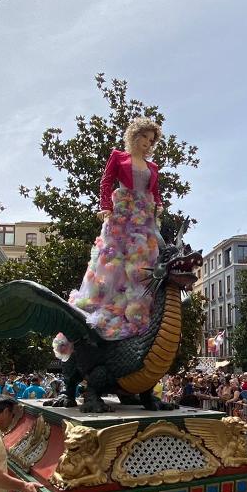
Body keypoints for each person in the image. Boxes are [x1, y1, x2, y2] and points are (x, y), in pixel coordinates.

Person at [63, 117, 164, 342]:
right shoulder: (118, 156)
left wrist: (159, 206)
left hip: (143, 217)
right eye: (144, 137)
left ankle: (135, 313)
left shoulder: (153, 167)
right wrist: (105, 206)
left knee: (141, 263)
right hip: (122, 212)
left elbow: (155, 192)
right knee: (111, 259)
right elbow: (106, 181)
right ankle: (101, 309)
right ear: (134, 136)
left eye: (151, 140)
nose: (147, 143)